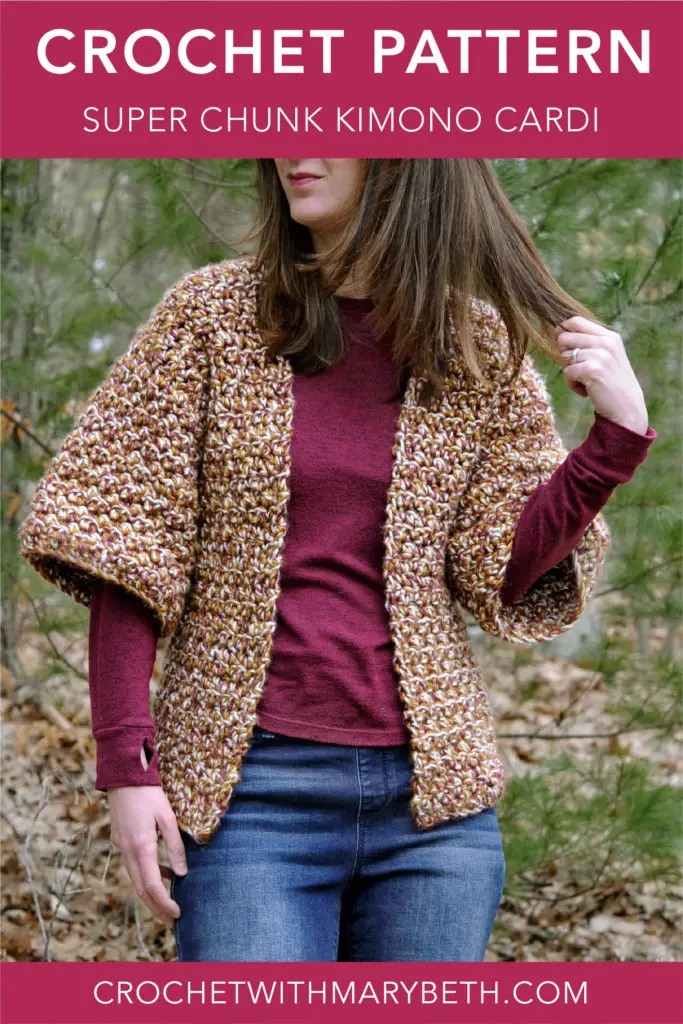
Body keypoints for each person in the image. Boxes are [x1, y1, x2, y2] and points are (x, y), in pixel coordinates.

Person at [19, 159, 656, 962]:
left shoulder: (473, 346)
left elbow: (502, 568)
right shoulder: (211, 319)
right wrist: (126, 763)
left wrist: (610, 447)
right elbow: (123, 546)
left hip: (432, 814)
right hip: (250, 798)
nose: (295, 141)